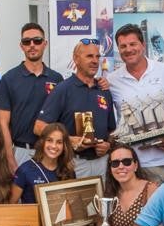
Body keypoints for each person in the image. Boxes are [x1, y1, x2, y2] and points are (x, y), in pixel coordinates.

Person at [106, 23, 164, 183]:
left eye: (133, 44)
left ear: (143, 45)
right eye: (123, 46)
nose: (128, 49)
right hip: (127, 165)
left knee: (163, 208)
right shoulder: (112, 80)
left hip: (161, 164)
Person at [35, 40, 116, 178]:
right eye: (89, 56)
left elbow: (112, 130)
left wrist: (108, 144)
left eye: (97, 57)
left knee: (102, 200)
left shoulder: (104, 90)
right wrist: (69, 140)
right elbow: (38, 127)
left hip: (102, 163)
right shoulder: (63, 89)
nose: (95, 61)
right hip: (74, 162)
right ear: (76, 59)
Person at [0, 23, 64, 167]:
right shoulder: (9, 79)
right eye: (27, 42)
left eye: (37, 40)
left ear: (45, 44)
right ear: (21, 46)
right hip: (21, 152)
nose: (32, 45)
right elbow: (3, 122)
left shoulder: (57, 79)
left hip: (51, 152)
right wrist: (10, 158)